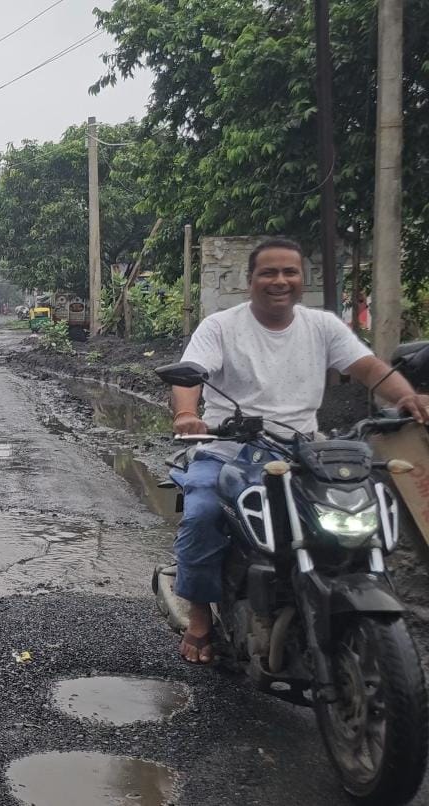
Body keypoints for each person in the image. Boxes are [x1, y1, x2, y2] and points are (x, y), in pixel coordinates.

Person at [170, 237, 429, 664]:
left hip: (303, 448)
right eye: (269, 272)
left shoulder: (322, 326)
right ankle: (200, 617)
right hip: (229, 448)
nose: (280, 280)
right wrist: (186, 414)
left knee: (357, 506)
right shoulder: (220, 326)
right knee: (202, 513)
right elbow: (191, 375)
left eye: (289, 272)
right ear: (250, 279)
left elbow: (368, 368)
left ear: (301, 280)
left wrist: (405, 398)